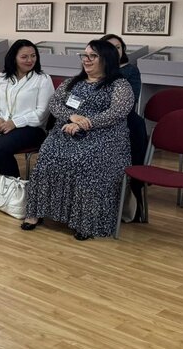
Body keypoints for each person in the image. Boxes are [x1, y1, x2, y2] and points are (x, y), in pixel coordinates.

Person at [21, 39, 133, 240]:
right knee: (48, 154)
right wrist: (71, 117)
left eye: (93, 56)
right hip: (67, 130)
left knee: (85, 160)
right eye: (85, 55)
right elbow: (55, 104)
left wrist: (84, 123)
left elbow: (117, 112)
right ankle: (37, 212)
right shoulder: (72, 82)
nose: (86, 60)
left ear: (106, 59)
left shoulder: (119, 85)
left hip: (104, 137)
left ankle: (85, 222)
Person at [0, 39, 54, 209]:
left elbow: (42, 113)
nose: (30, 60)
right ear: (13, 58)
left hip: (30, 127)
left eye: (33, 56)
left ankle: (15, 193)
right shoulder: (2, 78)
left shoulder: (43, 79)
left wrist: (15, 122)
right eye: (24, 57)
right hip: (0, 121)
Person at [101, 33, 149, 223]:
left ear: (123, 50)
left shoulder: (130, 71)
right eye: (109, 47)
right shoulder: (94, 68)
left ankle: (133, 203)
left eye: (118, 47)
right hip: (96, 120)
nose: (114, 51)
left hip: (125, 120)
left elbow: (130, 101)